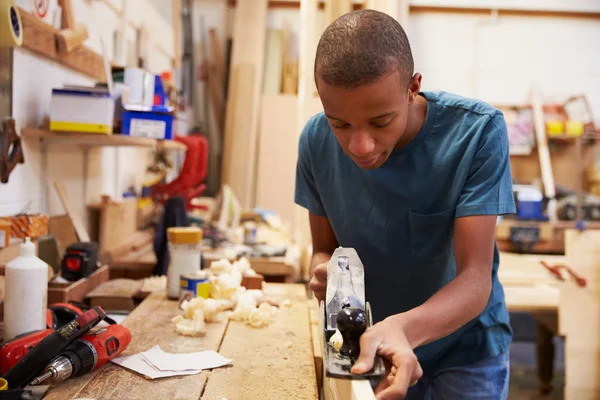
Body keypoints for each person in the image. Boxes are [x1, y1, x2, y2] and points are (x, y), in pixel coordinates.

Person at [294, 9, 516, 400]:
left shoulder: (477, 133)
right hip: (375, 346)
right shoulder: (314, 141)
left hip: (465, 351)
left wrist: (402, 330)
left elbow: (475, 278)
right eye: (340, 123)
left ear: (413, 87)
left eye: (380, 122)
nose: (359, 147)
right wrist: (324, 274)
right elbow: (323, 249)